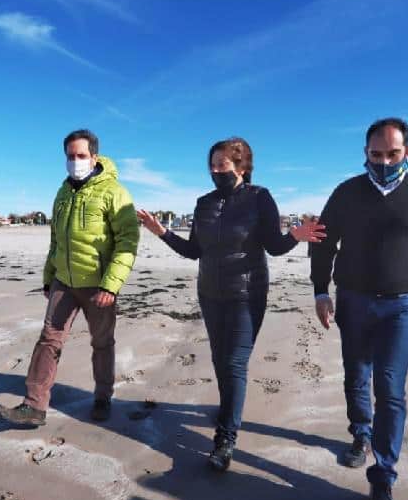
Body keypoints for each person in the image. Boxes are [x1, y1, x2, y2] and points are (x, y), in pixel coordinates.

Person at [138, 137, 325, 471]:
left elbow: (274, 246)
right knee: (219, 361)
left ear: (241, 166)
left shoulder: (259, 198)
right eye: (211, 165)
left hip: (247, 294)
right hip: (209, 293)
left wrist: (296, 236)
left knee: (235, 363)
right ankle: (228, 410)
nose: (214, 170)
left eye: (221, 164)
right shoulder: (203, 203)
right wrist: (161, 232)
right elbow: (195, 251)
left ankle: (225, 440)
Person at [310, 118, 408, 500]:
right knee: (357, 374)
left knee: (390, 387)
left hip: (401, 305)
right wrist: (321, 290)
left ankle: (384, 475)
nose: (384, 161)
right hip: (352, 300)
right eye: (376, 154)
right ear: (365, 153)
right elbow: (321, 245)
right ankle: (361, 433)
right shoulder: (346, 192)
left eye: (392, 153)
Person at [0, 130, 139, 426]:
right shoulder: (62, 192)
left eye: (81, 156)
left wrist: (111, 285)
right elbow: (55, 240)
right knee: (48, 340)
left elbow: (127, 242)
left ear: (94, 158)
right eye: (70, 156)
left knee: (102, 343)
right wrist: (49, 278)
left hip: (98, 285)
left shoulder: (114, 192)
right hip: (64, 281)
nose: (75, 161)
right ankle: (34, 406)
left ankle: (103, 397)